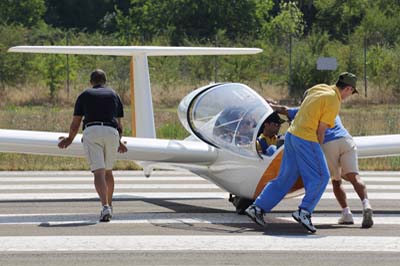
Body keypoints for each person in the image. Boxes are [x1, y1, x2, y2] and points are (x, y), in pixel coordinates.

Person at [245, 72, 357, 233]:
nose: (350, 95)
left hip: (291, 135)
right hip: (306, 137)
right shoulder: (334, 101)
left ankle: (258, 207)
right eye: (351, 92)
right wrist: (317, 148)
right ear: (348, 88)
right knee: (321, 177)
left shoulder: (320, 88)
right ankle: (304, 211)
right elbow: (322, 129)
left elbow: (303, 105)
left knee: (285, 178)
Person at [58, 69, 128, 222]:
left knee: (99, 172)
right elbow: (119, 123)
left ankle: (105, 207)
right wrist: (119, 142)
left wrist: (69, 139)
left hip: (92, 131)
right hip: (111, 132)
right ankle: (110, 204)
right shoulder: (114, 95)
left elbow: (76, 122)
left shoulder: (85, 95)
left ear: (91, 81)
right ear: (105, 81)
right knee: (108, 172)